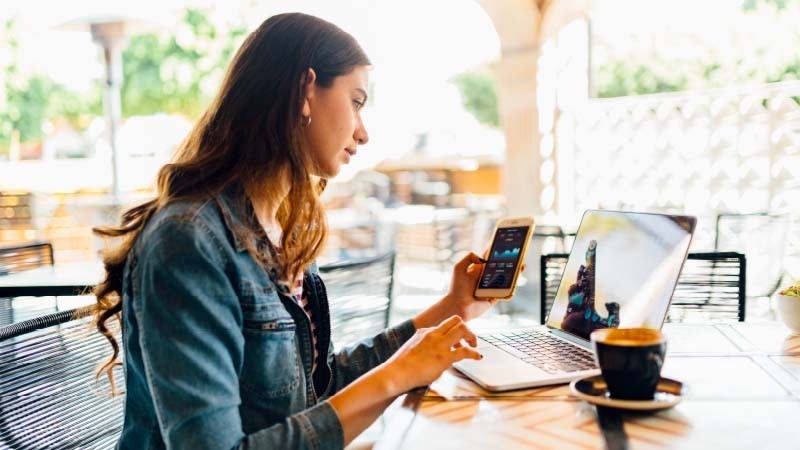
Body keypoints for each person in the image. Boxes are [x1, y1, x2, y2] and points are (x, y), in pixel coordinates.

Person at [92, 13, 500, 450]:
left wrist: (454, 306)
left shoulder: (280, 229)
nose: (363, 133)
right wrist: (399, 375)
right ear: (306, 89)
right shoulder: (189, 241)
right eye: (356, 102)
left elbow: (315, 388)